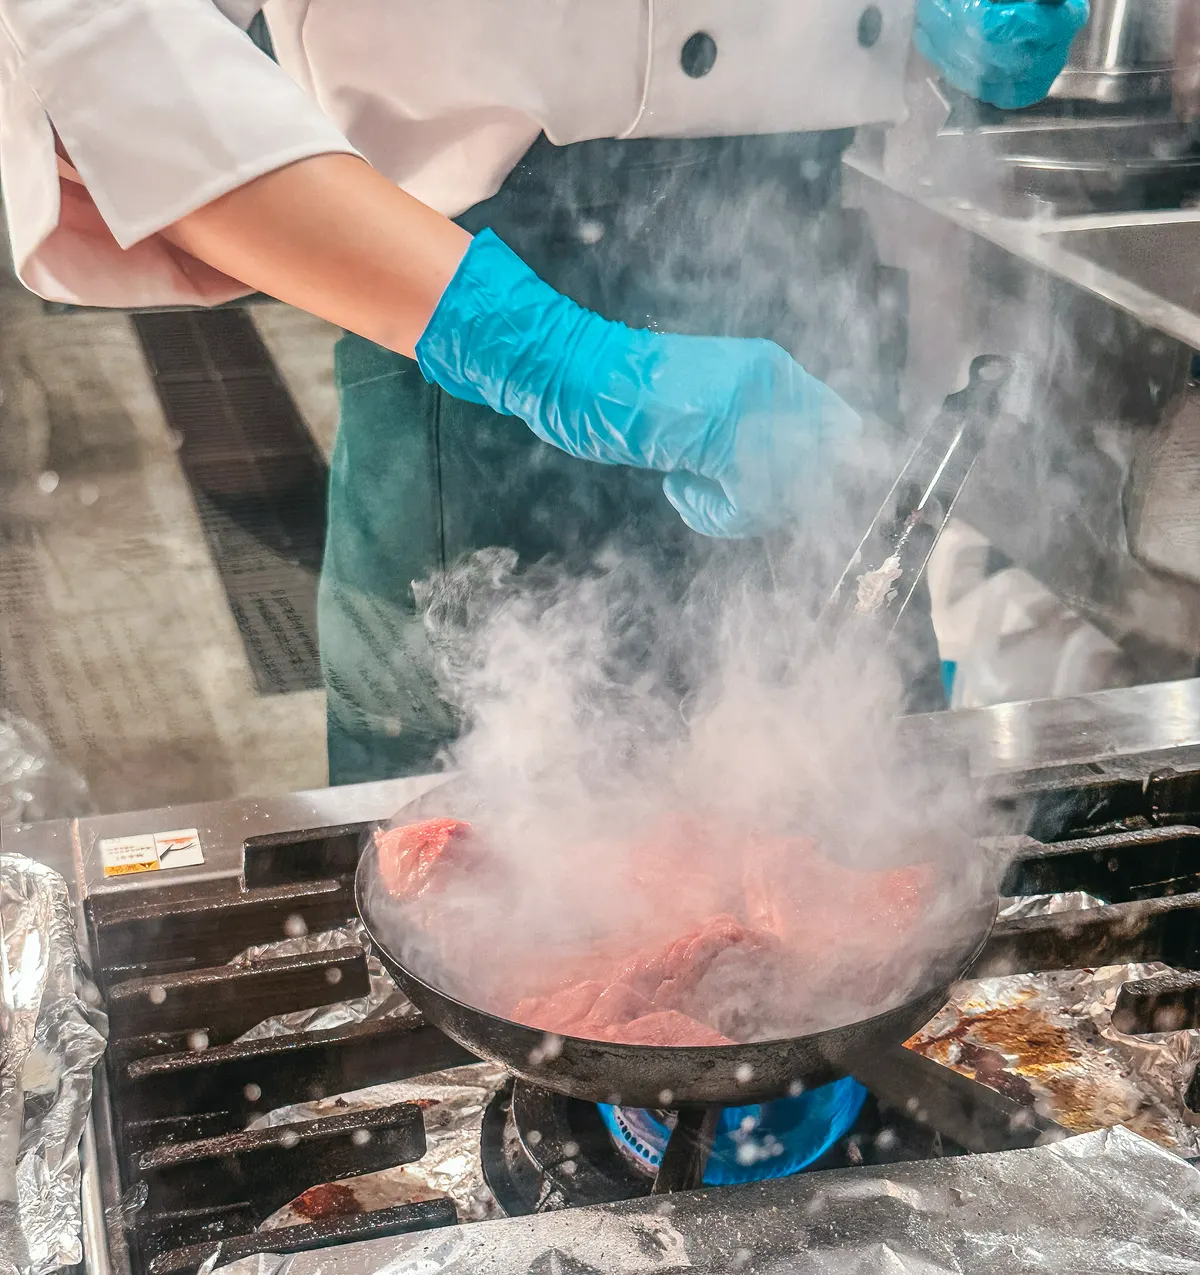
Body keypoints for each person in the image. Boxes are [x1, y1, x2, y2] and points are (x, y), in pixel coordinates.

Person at [0, 0, 1087, 782]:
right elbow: (93, 27)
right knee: (474, 904)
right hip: (463, 318)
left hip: (813, 301)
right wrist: (531, 348)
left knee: (855, 845)